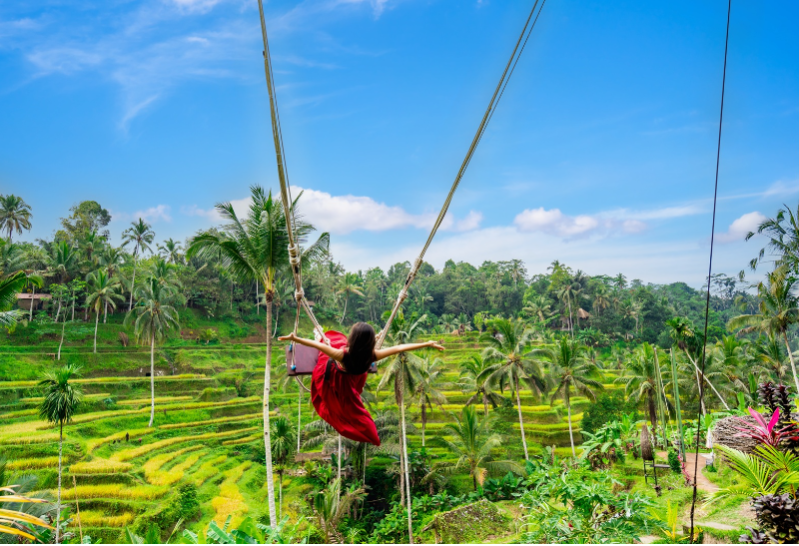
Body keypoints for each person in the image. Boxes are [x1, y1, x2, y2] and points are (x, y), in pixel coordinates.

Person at [279, 322, 444, 446]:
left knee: (329, 344)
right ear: (370, 342)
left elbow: (317, 345)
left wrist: (295, 338)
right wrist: (427, 343)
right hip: (349, 383)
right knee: (332, 342)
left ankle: (319, 332)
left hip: (331, 378)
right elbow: (400, 347)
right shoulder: (372, 355)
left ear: (354, 339)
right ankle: (320, 333)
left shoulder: (342, 354)